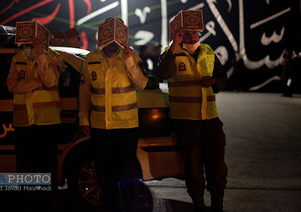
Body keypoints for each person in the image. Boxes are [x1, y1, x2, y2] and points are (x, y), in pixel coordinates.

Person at [79, 18, 148, 211]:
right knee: (105, 172)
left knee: (127, 171)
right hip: (101, 126)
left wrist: (129, 60)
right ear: (102, 36)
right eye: (108, 36)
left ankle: (131, 205)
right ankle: (112, 206)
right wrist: (83, 119)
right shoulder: (91, 58)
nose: (112, 41)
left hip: (126, 126)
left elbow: (142, 84)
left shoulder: (130, 56)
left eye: (116, 36)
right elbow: (84, 91)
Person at [156, 26, 228, 212]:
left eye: (194, 31)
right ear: (179, 33)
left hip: (210, 117)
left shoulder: (208, 51)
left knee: (217, 165)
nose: (191, 35)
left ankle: (217, 204)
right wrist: (174, 44)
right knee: (193, 166)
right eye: (186, 32)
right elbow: (161, 74)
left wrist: (214, 82)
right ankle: (198, 203)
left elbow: (221, 76)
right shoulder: (171, 53)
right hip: (186, 120)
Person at [7, 39, 62, 212]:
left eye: (32, 45)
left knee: (47, 167)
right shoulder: (17, 59)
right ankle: (26, 203)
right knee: (25, 167)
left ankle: (49, 204)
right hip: (23, 121)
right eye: (26, 45)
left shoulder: (53, 57)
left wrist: (40, 56)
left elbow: (50, 81)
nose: (28, 48)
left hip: (46, 121)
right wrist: (38, 83)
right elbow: (11, 85)